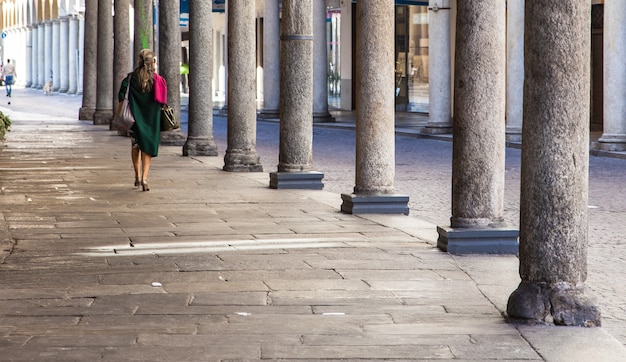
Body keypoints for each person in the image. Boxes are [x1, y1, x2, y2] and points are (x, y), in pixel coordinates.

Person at [115, 49, 163, 191]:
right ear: (152, 62)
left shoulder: (129, 79)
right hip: (151, 119)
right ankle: (144, 178)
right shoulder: (158, 80)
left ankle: (136, 176)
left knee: (135, 145)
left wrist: (118, 115)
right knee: (147, 148)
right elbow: (163, 99)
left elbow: (121, 96)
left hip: (133, 119)